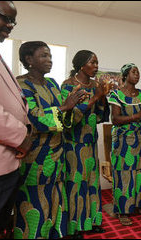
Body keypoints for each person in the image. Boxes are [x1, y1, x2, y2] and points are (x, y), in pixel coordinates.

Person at [14, 41, 87, 239]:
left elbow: (66, 118)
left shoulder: (53, 84)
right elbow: (33, 118)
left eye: (51, 56)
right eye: (44, 56)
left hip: (57, 155)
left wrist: (72, 106)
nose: (50, 60)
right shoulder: (20, 85)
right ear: (29, 60)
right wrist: (65, 108)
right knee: (34, 205)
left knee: (55, 201)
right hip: (35, 158)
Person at [0, 1, 32, 238]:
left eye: (13, 21)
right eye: (5, 18)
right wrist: (21, 136)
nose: (10, 25)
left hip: (7, 158)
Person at [61, 50, 112, 238]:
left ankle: (92, 221)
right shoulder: (68, 86)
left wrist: (103, 96)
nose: (96, 66)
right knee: (76, 183)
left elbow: (99, 116)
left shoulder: (94, 85)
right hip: (74, 143)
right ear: (82, 65)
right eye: (93, 63)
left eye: (97, 63)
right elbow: (70, 118)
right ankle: (75, 226)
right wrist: (96, 97)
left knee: (92, 183)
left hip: (90, 141)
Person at [107, 63, 141, 226]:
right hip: (123, 141)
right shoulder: (116, 94)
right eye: (134, 72)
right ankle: (123, 209)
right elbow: (115, 119)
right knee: (124, 173)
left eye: (138, 72)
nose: (137, 74)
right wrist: (137, 116)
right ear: (125, 75)